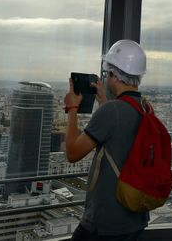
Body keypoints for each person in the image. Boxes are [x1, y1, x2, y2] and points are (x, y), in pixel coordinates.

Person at [64, 39, 149, 241]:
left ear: (113, 75)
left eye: (108, 72)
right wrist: (103, 100)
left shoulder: (112, 111)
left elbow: (72, 154)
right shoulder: (145, 107)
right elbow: (119, 136)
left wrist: (72, 109)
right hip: (135, 217)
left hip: (106, 222)